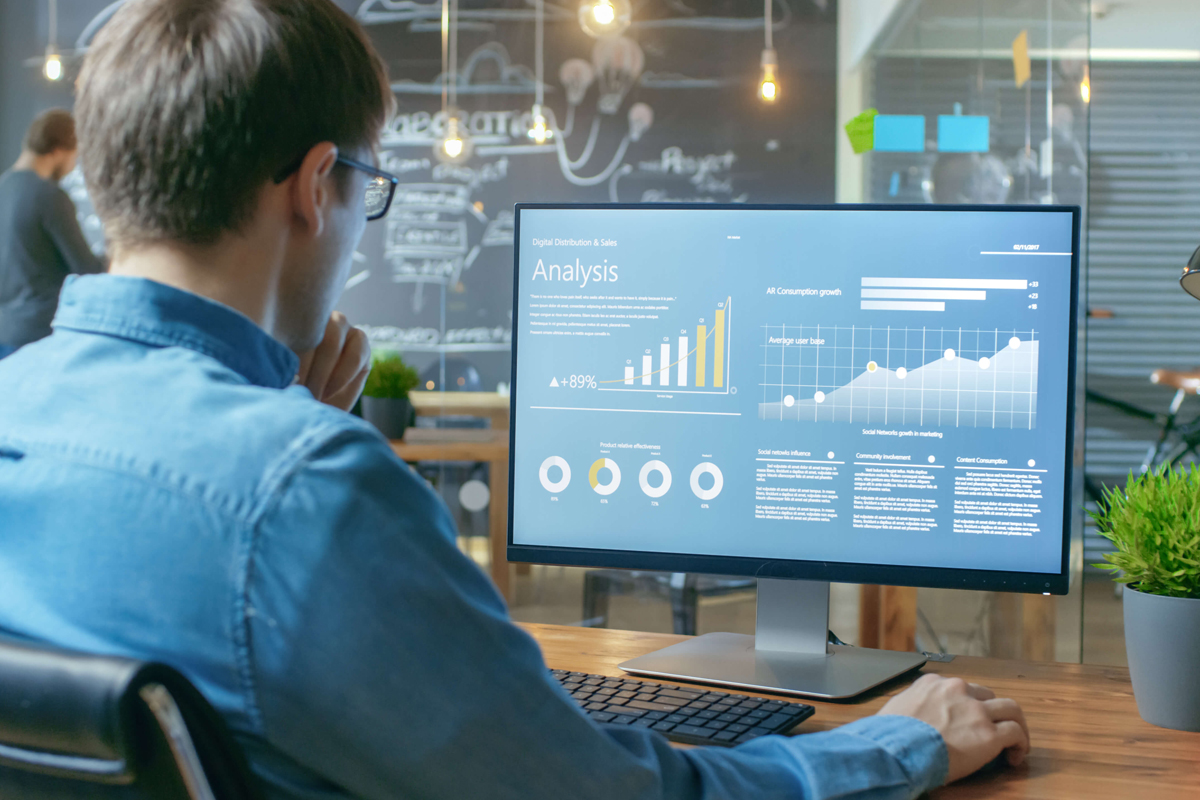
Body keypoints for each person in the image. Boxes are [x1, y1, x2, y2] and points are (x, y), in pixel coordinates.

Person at [0, 2, 1030, 799]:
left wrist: (279, 407)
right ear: (316, 186)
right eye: (369, 186)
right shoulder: (302, 491)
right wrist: (902, 742)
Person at [0, 109, 105, 358]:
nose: (72, 167)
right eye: (74, 156)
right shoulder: (48, 195)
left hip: (5, 333)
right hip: (42, 336)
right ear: (58, 150)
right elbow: (86, 268)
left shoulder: (3, 187)